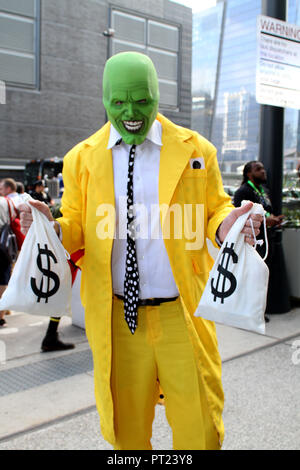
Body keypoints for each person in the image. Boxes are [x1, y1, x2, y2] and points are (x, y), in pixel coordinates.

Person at [20, 52, 262, 450]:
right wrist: (50, 230)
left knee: (201, 430)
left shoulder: (197, 150)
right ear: (104, 99)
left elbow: (214, 208)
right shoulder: (81, 158)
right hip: (118, 319)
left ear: (157, 95)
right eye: (119, 102)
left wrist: (227, 224)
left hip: (183, 316)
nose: (131, 112)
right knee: (126, 433)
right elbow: (77, 224)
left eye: (142, 100)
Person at [233, 161, 284, 321]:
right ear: (249, 174)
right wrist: (265, 221)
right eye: (258, 169)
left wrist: (274, 219)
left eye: (263, 168)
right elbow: (239, 217)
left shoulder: (263, 190)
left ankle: (256, 311)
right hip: (251, 242)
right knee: (250, 277)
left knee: (260, 277)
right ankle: (246, 313)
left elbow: (266, 212)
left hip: (265, 240)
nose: (263, 171)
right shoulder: (243, 191)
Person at [0, 196, 17, 327]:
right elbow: (13, 218)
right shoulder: (6, 201)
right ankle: (1, 315)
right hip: (3, 241)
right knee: (4, 279)